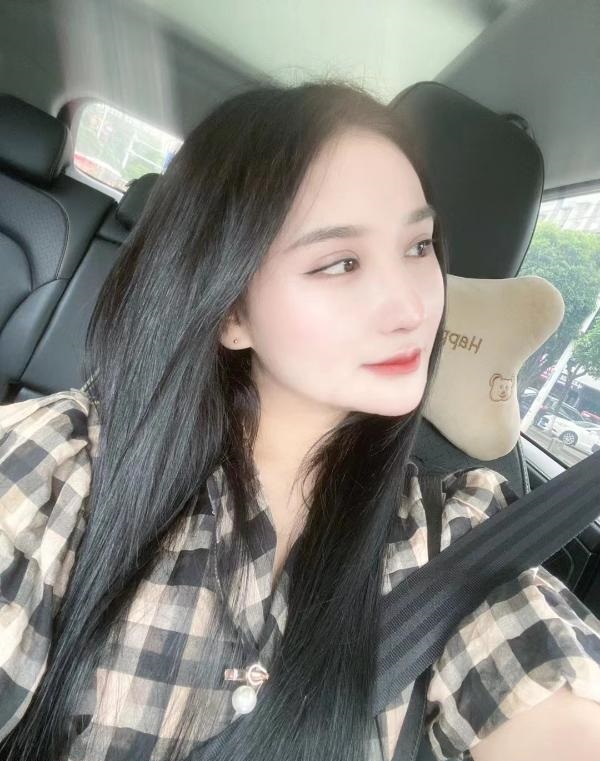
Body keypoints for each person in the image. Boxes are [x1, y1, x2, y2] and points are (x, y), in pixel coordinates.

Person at [0, 79, 599, 761]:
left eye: (419, 246)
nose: (412, 307)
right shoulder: (58, 468)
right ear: (232, 312)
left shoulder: (456, 533)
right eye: (340, 263)